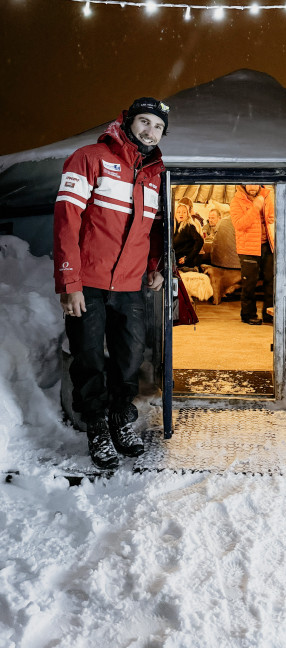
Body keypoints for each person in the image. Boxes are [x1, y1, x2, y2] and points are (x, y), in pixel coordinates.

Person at [53, 96, 169, 470]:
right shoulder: (89, 158)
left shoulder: (154, 175)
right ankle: (97, 428)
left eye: (159, 127)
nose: (151, 131)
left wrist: (154, 266)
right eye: (146, 122)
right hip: (88, 281)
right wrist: (69, 281)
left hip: (131, 285)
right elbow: (66, 221)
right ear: (129, 121)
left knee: (129, 358)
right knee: (88, 357)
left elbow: (152, 231)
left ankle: (120, 419)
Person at [230, 184, 274, 325]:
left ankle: (269, 315)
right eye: (249, 183)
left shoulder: (268, 196)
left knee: (271, 282)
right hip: (248, 248)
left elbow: (273, 218)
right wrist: (255, 208)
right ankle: (248, 315)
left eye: (255, 183)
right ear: (243, 184)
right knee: (249, 283)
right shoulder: (237, 201)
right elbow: (239, 225)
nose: (252, 186)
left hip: (268, 245)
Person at [173, 203, 204, 268]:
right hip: (176, 261)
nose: (181, 214)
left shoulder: (189, 226)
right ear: (175, 214)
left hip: (185, 263)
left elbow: (200, 241)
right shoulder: (175, 227)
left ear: (187, 214)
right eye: (178, 212)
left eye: (184, 212)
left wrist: (188, 258)